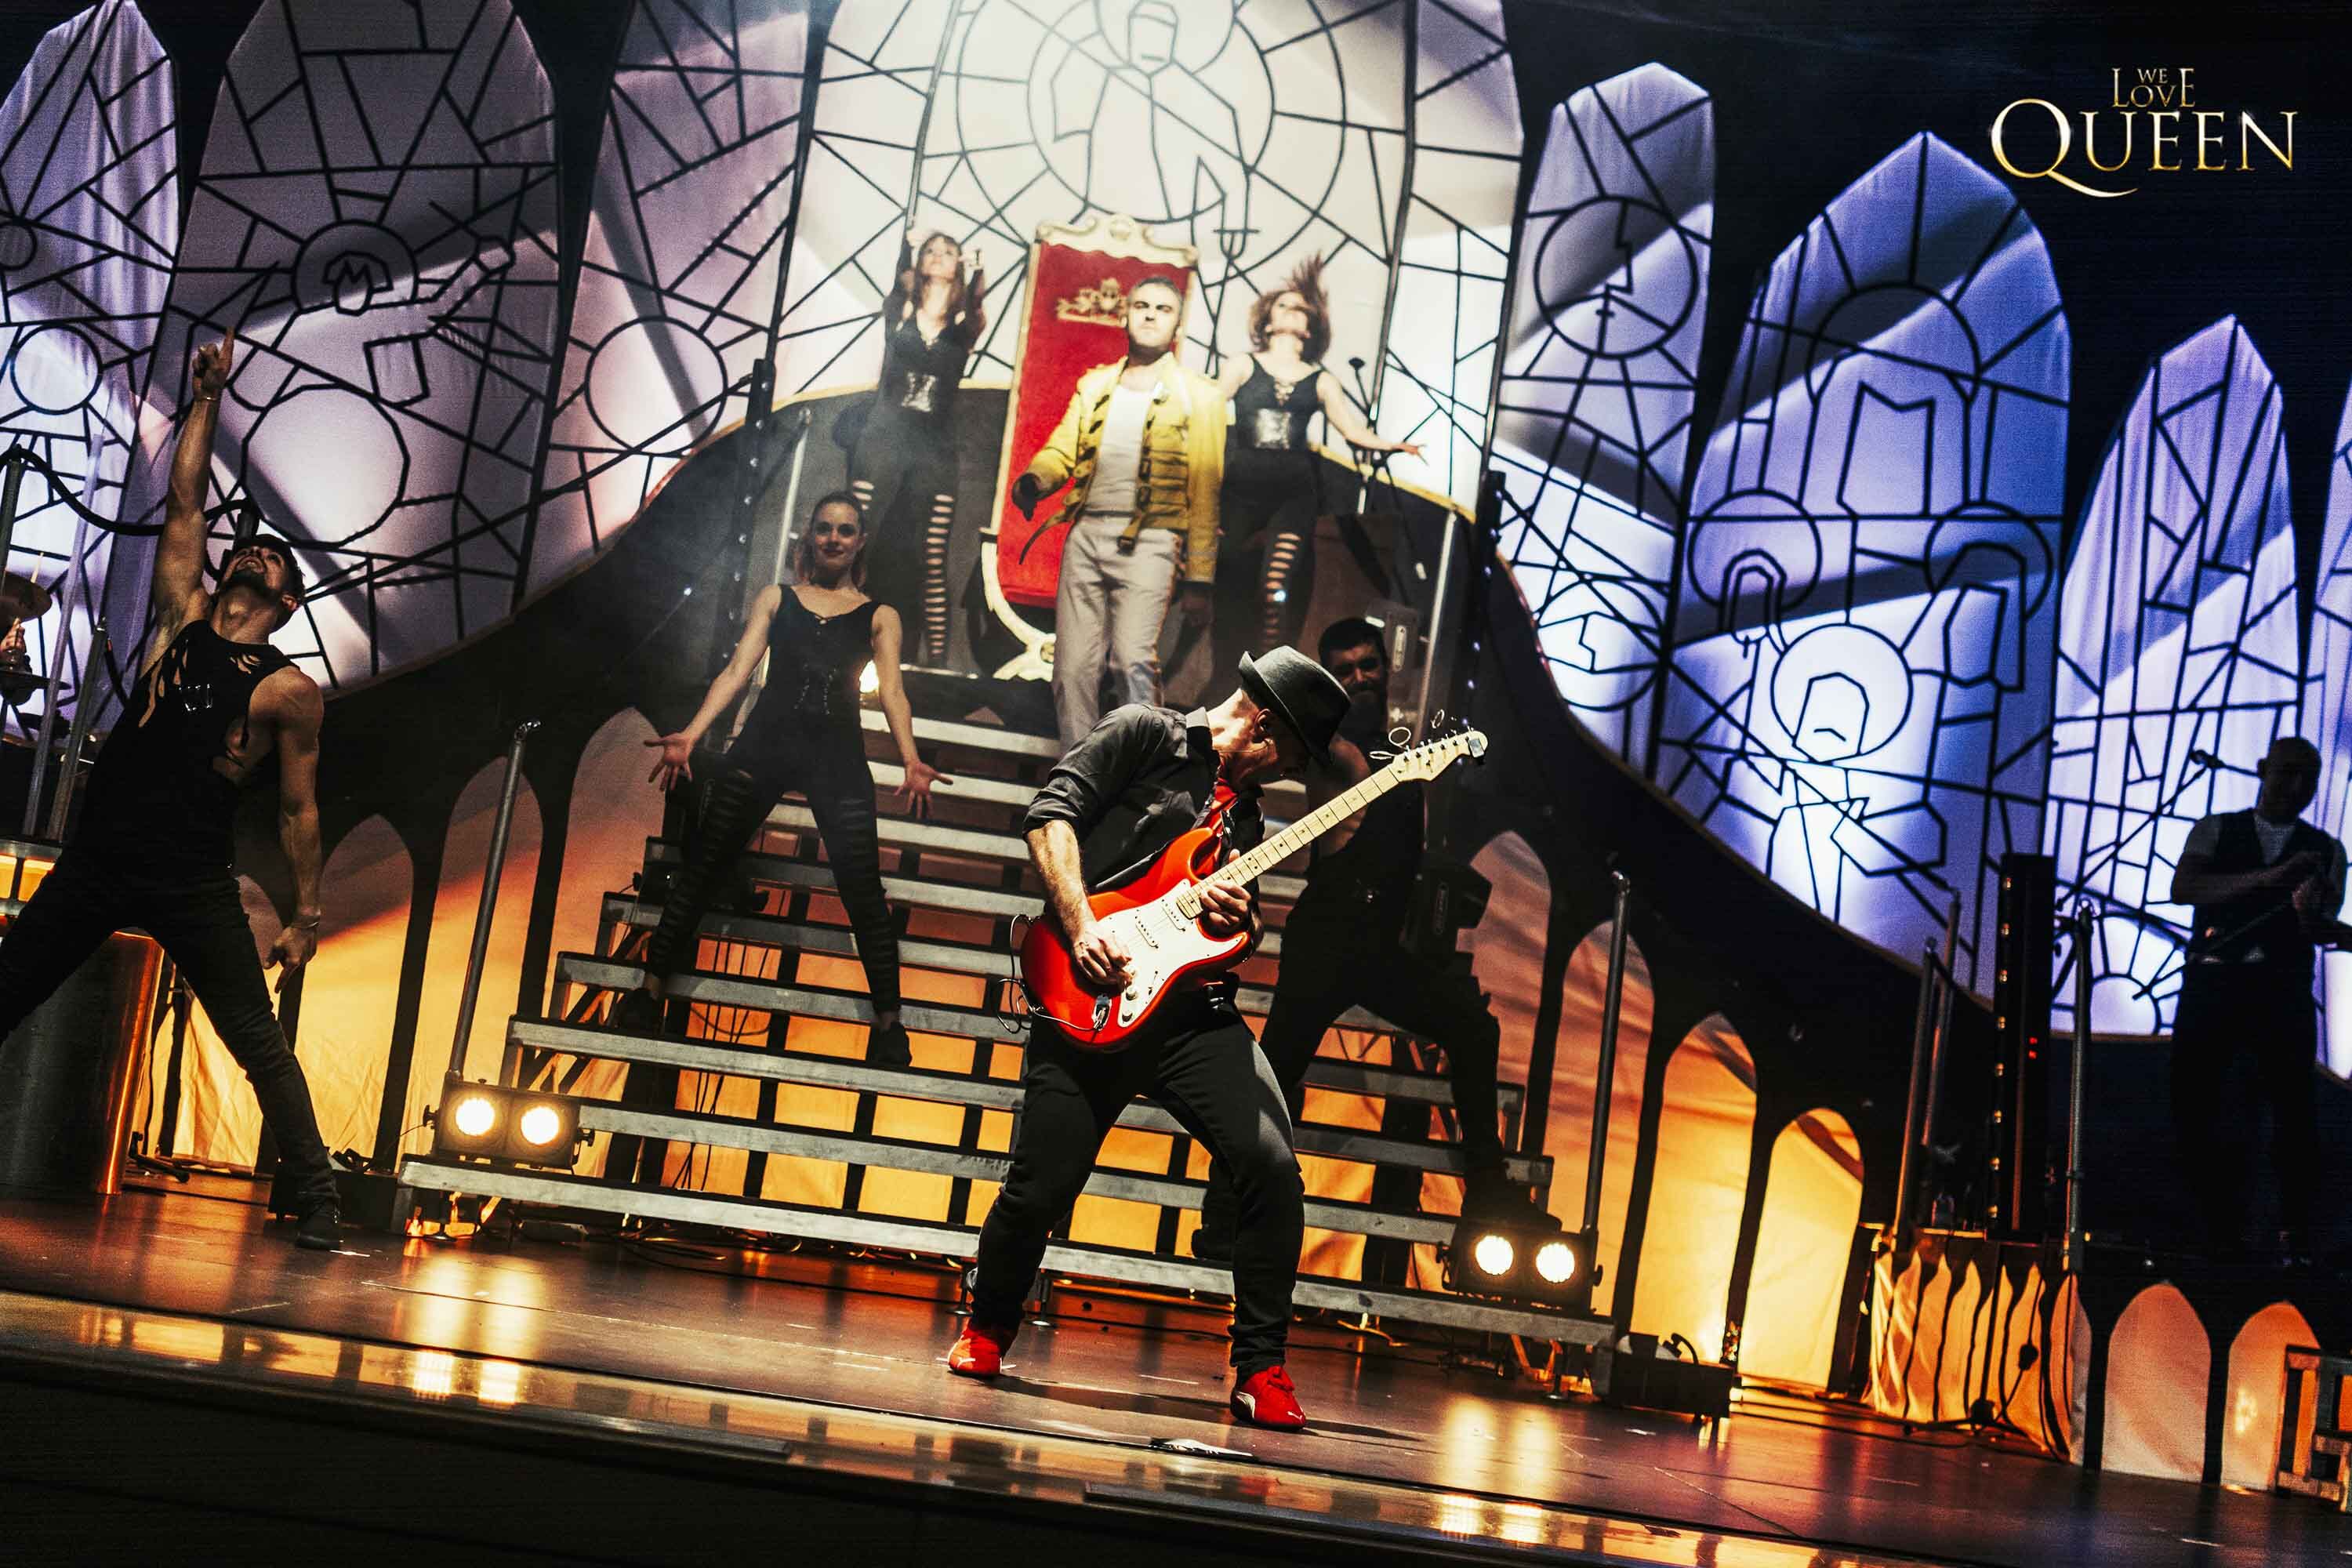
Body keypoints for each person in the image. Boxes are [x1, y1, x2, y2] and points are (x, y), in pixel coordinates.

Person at [948, 648, 1350, 1431]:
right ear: (1268, 728)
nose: (1295, 772)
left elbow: (1227, 934)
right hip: (1089, 989)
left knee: (1272, 1165)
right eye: (1299, 754)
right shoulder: (1144, 733)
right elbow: (1049, 819)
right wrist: (1082, 926)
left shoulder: (1246, 818)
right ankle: (987, 1325)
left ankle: (1260, 1368)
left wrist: (1246, 922)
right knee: (1040, 1187)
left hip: (1191, 1014)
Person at [0, 330, 342, 1248]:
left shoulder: (288, 689)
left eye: (274, 558)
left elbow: (299, 808)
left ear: (288, 601)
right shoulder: (181, 616)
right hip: (101, 857)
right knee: (8, 987)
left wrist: (307, 912)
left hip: (191, 877)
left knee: (256, 1040)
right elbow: (186, 500)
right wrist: (206, 398)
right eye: (250, 547)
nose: (256, 553)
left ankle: (318, 1195)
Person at [1194, 619, 1519, 1265]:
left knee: (1474, 1029)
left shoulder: (1398, 749)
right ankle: (1223, 1220)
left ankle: (1488, 1194)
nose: (1360, 678)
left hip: (1378, 948)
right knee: (1274, 1077)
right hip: (1325, 939)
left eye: (1369, 665)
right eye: (1345, 670)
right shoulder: (1330, 747)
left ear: (1385, 668)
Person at [627, 492, 948, 1066]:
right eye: (824, 529)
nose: (833, 539)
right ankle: (647, 993)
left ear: (860, 541)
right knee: (704, 866)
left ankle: (889, 1026)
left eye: (845, 530)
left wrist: (910, 758)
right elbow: (737, 670)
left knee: (862, 889)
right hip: (766, 746)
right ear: (810, 536)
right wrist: (692, 735)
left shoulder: (879, 615)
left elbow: (894, 692)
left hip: (836, 756)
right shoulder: (778, 598)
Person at [1011, 275, 1226, 748]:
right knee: (1071, 668)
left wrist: (1200, 579)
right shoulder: (1095, 384)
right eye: (1142, 305)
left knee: (1132, 661)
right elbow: (1063, 449)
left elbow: (1206, 491)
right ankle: (1079, 770)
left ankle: (1142, 766)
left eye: (1163, 309)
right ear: (1125, 315)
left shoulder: (1202, 396)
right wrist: (1036, 480)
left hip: (1152, 540)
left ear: (1177, 324)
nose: (1150, 314)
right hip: (1087, 533)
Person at [2168, 735, 2348, 1263]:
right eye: (2289, 771)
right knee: (2196, 1105)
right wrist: (2271, 879)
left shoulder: (2328, 850)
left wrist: (2311, 914)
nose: (2298, 785)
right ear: (2263, 768)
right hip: (2212, 985)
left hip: (2281, 993)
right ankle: (2207, 1232)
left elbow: (2318, 924)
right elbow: (2185, 888)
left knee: (2293, 1114)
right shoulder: (2216, 828)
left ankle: (2292, 1236)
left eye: (2309, 778)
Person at [1215, 256, 1421, 655]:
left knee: (1275, 590)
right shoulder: (1242, 365)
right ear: (1267, 321)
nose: (1293, 311)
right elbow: (1207, 405)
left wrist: (1394, 446)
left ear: (1309, 328)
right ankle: (1226, 663)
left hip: (1292, 494)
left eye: (1301, 308)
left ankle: (1265, 668)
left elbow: (1352, 431)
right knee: (1227, 583)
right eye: (1284, 305)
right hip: (1240, 488)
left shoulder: (1322, 381)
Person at [849, 230, 985, 666]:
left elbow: (976, 308)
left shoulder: (963, 328)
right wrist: (906, 248)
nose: (939, 256)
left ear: (959, 264)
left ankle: (937, 666)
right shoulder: (901, 311)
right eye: (931, 251)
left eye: (948, 252)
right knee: (855, 545)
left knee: (932, 558)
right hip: (884, 441)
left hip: (934, 450)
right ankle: (836, 642)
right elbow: (897, 289)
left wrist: (979, 270)